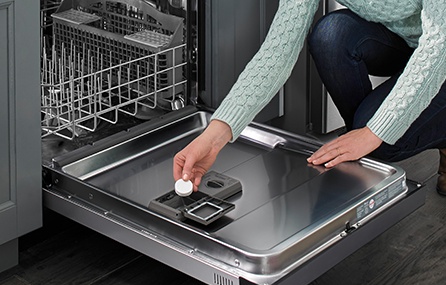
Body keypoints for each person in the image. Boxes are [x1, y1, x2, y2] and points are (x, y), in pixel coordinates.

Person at [173, 0, 446, 196]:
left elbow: (438, 46)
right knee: (331, 35)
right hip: (406, 40)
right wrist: (215, 135)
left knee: (381, 139)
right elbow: (277, 51)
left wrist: (375, 132)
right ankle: (366, 157)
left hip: (440, 48)